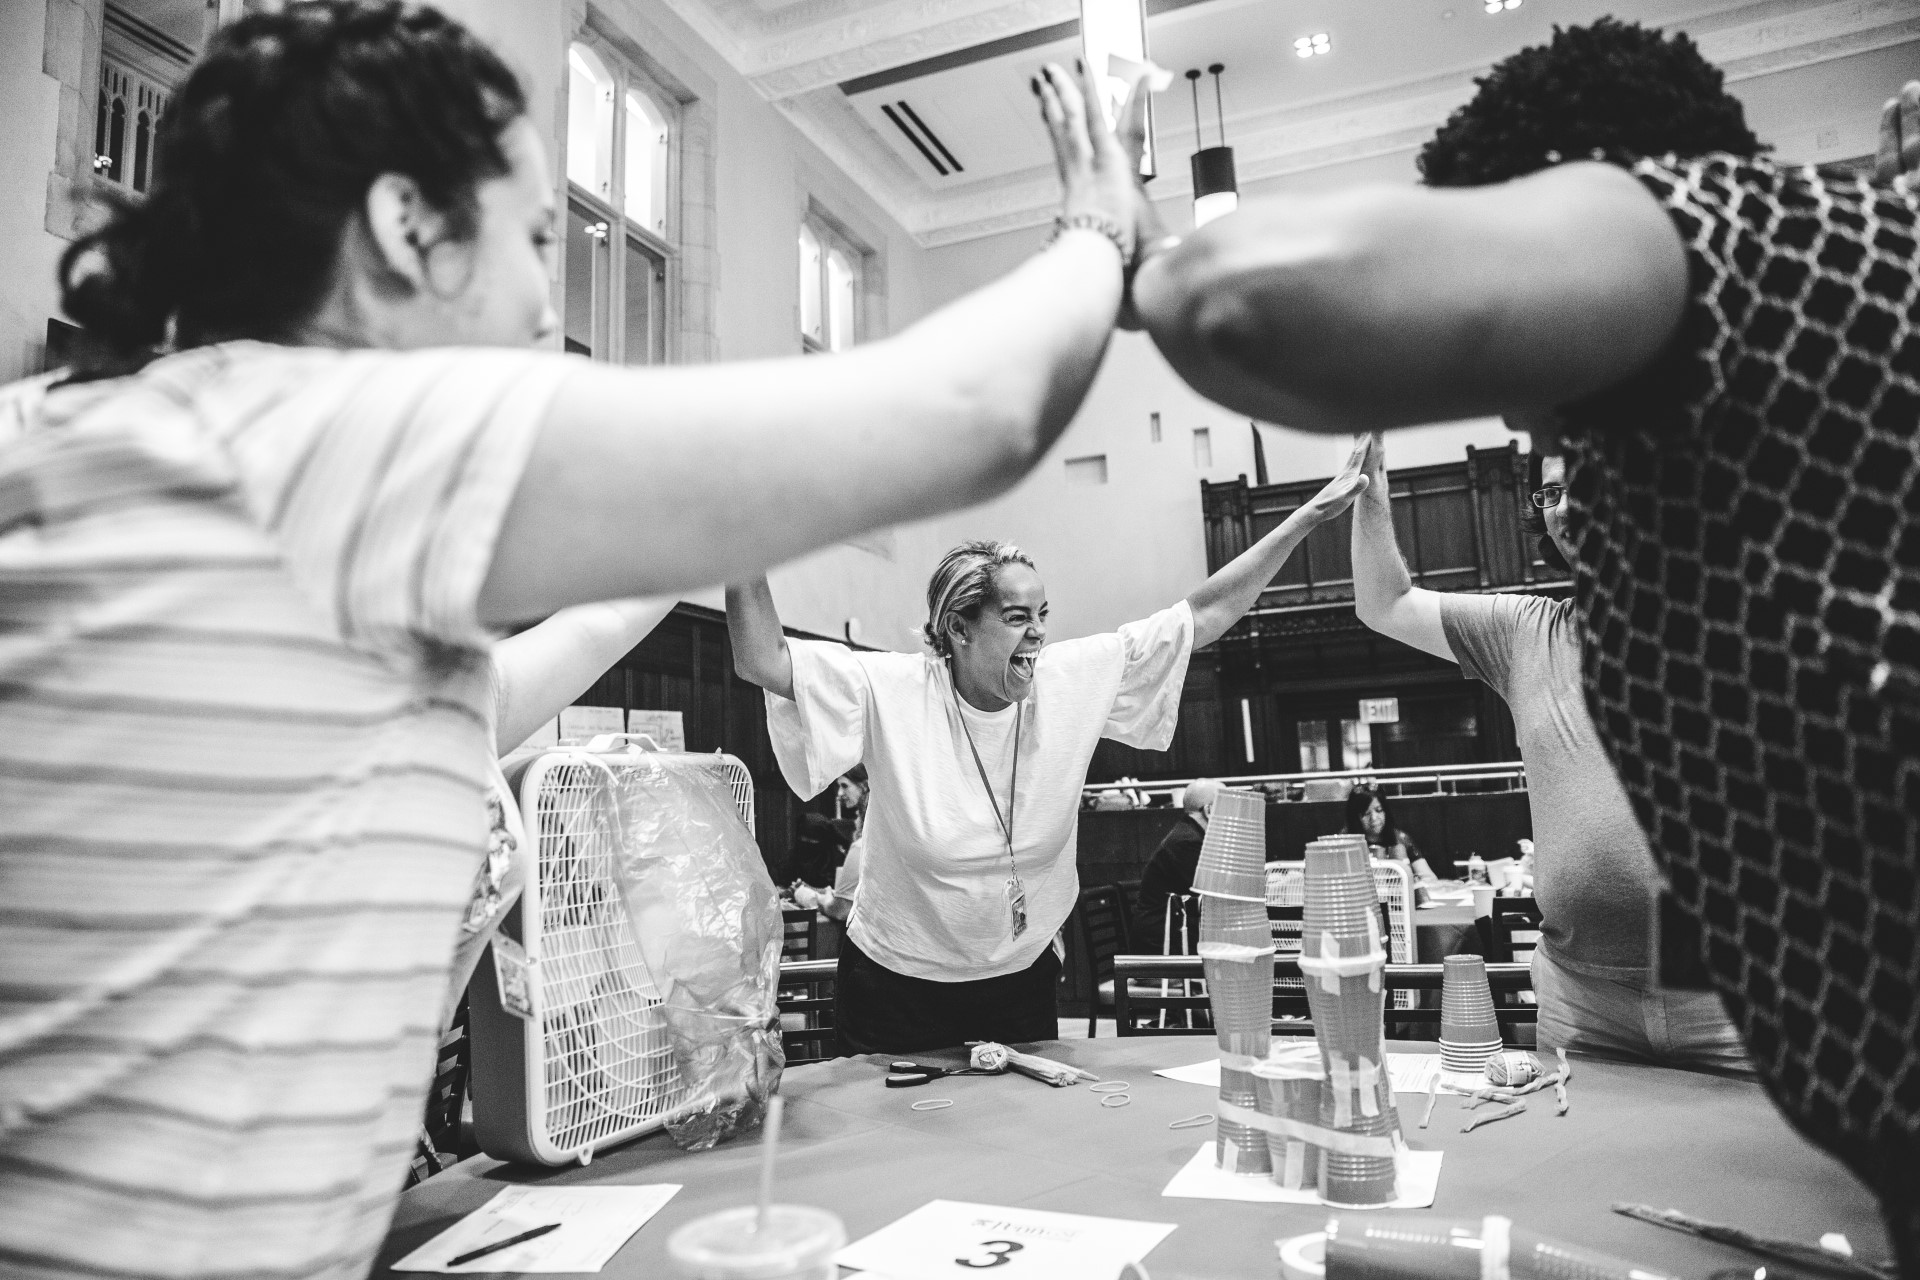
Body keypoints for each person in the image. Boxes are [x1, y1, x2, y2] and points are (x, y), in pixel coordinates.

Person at [0, 3, 1149, 1274]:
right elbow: (977, 408)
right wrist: (1099, 231)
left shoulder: (136, 459)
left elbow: (473, 704)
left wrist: (705, 527)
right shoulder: (341, 431)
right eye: (536, 239)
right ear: (406, 226)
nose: (551, 299)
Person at [1131, 17, 1920, 1264]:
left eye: (1508, 277)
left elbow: (1221, 295)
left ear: (1592, 215)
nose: (1509, 412)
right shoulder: (1663, 540)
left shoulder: (1779, 265)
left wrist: (1100, 243)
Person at [728, 445, 1368, 1054]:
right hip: (898, 984)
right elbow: (761, 658)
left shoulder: (1068, 678)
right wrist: (728, 527)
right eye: (1015, 618)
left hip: (1019, 979)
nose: (1037, 635)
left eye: (1042, 615)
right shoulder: (892, 691)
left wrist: (1305, 519)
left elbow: (1204, 614)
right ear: (957, 629)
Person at [1351, 434, 1747, 1072]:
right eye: (1552, 493)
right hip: (1581, 1002)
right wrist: (1371, 489)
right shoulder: (1523, 633)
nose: (1565, 508)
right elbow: (1384, 603)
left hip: (1730, 1000)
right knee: (1576, 1167)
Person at [1129, 778, 1223, 950]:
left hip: (1172, 932)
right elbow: (1215, 891)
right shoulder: (1187, 842)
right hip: (1162, 942)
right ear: (1209, 810)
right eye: (1227, 808)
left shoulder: (1189, 834)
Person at [1342, 784, 1438, 884]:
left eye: (1379, 810)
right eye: (1366, 813)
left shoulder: (1400, 839)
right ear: (1355, 817)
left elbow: (1430, 878)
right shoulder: (1346, 842)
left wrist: (1415, 883)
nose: (1374, 818)